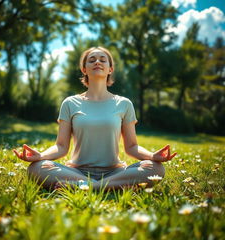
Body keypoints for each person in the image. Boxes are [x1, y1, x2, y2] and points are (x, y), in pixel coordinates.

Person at [13, 46, 177, 190]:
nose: (97, 62)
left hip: (115, 171)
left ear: (110, 69)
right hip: (76, 171)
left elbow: (132, 147)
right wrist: (40, 156)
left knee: (156, 169)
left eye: (102, 60)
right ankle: (109, 186)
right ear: (84, 69)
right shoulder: (70, 103)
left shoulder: (124, 104)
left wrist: (152, 157)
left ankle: (88, 187)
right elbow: (61, 146)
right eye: (91, 60)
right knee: (35, 168)